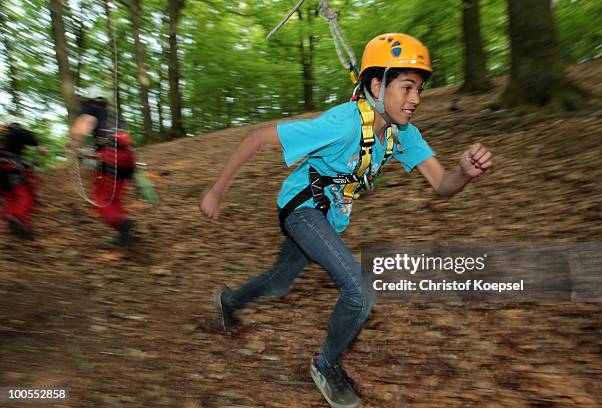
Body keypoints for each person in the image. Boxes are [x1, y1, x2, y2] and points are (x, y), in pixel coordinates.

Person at [200, 33, 493, 408]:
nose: (416, 99)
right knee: (361, 290)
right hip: (301, 208)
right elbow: (258, 138)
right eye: (406, 88)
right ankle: (325, 365)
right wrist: (218, 190)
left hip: (328, 218)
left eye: (418, 89)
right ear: (376, 85)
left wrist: (464, 173)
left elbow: (441, 184)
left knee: (280, 281)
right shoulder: (343, 123)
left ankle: (228, 301)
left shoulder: (404, 135)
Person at [69, 85, 137, 247]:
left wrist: (74, 144)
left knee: (100, 199)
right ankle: (125, 234)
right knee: (114, 198)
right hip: (127, 158)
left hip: (110, 156)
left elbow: (84, 125)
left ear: (89, 100)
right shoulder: (113, 115)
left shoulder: (90, 110)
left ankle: (122, 223)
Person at [0, 115, 47, 239]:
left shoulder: (3, 135)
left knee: (10, 198)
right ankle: (17, 218)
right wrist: (38, 145)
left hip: (3, 172)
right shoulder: (16, 131)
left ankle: (11, 218)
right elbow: (27, 137)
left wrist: (29, 162)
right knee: (26, 196)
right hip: (9, 169)